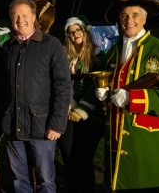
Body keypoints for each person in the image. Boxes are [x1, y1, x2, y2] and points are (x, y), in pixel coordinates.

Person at [94, 0, 159, 192]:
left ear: (145, 18)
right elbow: (109, 83)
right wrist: (105, 93)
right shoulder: (113, 51)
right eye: (124, 16)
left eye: (135, 15)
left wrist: (132, 98)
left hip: (143, 139)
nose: (129, 20)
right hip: (115, 137)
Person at [0, 0, 71, 193]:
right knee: (18, 179)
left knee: (45, 179)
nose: (19, 20)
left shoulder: (51, 45)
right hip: (14, 126)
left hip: (42, 126)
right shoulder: (8, 48)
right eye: (15, 16)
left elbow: (63, 87)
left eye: (24, 15)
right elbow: (2, 87)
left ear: (33, 17)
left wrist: (57, 123)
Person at [63, 16, 104, 193]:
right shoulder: (64, 55)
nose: (75, 34)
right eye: (71, 32)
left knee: (84, 160)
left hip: (90, 116)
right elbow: (60, 82)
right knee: (69, 158)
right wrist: (67, 104)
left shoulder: (98, 55)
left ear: (85, 31)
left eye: (78, 30)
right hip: (68, 113)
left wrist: (82, 109)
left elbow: (97, 85)